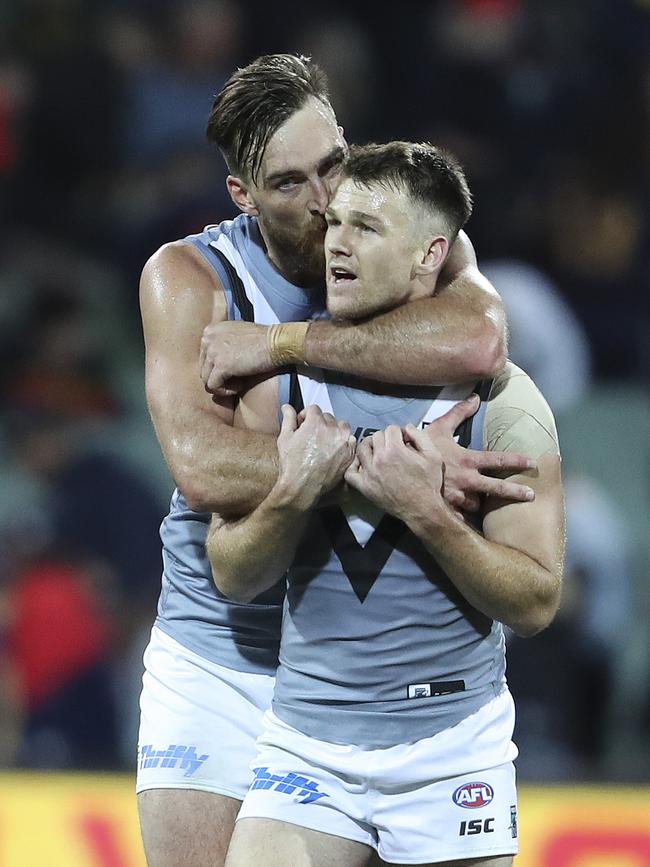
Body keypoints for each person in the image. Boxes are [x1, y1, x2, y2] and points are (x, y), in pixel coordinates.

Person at [138, 55, 533, 867]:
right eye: (290, 184)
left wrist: (282, 342)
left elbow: (482, 337)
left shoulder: (394, 221)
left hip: (361, 675)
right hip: (227, 646)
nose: (326, 204)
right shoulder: (190, 277)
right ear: (242, 196)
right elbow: (204, 468)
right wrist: (381, 467)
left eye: (333, 164)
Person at [206, 142, 565, 867]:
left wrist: (427, 513)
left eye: (366, 227)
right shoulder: (279, 386)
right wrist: (291, 495)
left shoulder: (505, 403)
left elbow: (535, 601)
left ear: (431, 253)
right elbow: (233, 574)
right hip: (306, 747)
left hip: (451, 751)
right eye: (335, 222)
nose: (336, 240)